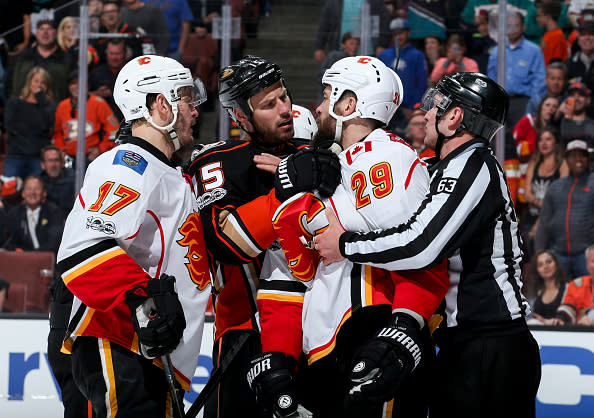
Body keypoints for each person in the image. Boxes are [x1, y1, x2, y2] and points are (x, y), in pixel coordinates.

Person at [315, 72, 541, 417]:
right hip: (465, 343)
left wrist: (346, 245)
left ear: (455, 117)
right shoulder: (446, 166)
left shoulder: (473, 164)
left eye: (437, 106)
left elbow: (421, 246)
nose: (426, 112)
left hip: (492, 343)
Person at [251, 55, 448, 417]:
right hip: (321, 349)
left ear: (349, 104)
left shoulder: (385, 158)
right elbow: (289, 272)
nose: (319, 106)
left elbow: (422, 257)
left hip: (371, 334)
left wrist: (399, 334)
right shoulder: (320, 165)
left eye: (328, 95)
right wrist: (278, 354)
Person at [54, 55, 211, 417]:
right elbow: (82, 250)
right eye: (186, 98)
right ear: (161, 104)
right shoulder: (128, 164)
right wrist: (144, 297)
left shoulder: (169, 172)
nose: (195, 110)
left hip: (154, 353)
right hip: (121, 341)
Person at [184, 55, 340, 418]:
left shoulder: (312, 155)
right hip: (245, 334)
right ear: (240, 117)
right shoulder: (218, 161)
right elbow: (225, 245)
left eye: (283, 97)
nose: (285, 109)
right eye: (269, 105)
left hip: (317, 328)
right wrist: (286, 190)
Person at [535, 139, 594, 279]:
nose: (578, 159)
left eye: (582, 155)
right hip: (558, 255)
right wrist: (539, 253)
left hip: (587, 256)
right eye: (573, 155)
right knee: (561, 298)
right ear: (566, 159)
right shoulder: (556, 187)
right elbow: (544, 223)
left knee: (588, 299)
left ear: (588, 159)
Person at [488, 11, 547, 131]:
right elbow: (491, 78)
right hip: (501, 103)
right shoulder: (496, 51)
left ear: (523, 27)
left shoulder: (534, 50)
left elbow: (539, 81)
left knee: (522, 141)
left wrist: (533, 105)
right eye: (509, 26)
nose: (512, 29)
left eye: (516, 26)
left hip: (523, 102)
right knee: (498, 142)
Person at [522, 127, 569, 257]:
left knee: (550, 261)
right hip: (531, 219)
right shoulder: (534, 163)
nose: (544, 143)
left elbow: (561, 198)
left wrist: (538, 205)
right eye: (541, 140)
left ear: (556, 143)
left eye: (548, 139)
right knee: (533, 263)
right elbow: (527, 195)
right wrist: (544, 204)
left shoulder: (563, 164)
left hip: (553, 221)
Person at [53, 71, 119, 163]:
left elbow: (114, 131)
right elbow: (57, 133)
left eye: (81, 83)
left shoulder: (99, 103)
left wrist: (100, 149)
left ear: (87, 86)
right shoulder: (62, 106)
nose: (77, 86)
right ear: (68, 86)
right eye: (73, 83)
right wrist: (61, 150)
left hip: (93, 157)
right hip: (68, 158)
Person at [3, 66, 56, 179]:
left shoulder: (48, 107)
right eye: (36, 81)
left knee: (36, 191)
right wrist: (35, 128)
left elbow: (47, 124)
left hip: (37, 157)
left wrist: (41, 99)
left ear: (47, 87)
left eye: (43, 83)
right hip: (16, 155)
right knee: (9, 191)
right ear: (29, 82)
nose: (39, 85)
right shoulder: (15, 103)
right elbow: (10, 126)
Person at [9, 19, 74, 102]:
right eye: (41, 29)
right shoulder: (24, 56)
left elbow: (74, 87)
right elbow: (10, 84)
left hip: (55, 110)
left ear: (56, 34)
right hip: (25, 109)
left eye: (49, 29)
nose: (45, 32)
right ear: (37, 34)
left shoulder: (67, 59)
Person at [313, 0, 392, 64]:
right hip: (341, 52)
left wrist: (382, 44)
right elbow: (324, 24)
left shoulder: (375, 1)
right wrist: (319, 47)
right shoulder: (334, 2)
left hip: (368, 53)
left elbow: (384, 21)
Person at [377, 18, 428, 115]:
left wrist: (414, 107)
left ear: (408, 33)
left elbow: (421, 84)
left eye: (401, 33)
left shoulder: (417, 55)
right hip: (387, 108)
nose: (398, 37)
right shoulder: (383, 55)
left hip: (409, 108)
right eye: (395, 34)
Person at [3, 176, 64, 253]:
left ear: (44, 193)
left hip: (48, 260)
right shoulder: (14, 213)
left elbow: (54, 244)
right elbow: (9, 242)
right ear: (23, 193)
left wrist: (28, 253)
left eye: (37, 189)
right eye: (29, 189)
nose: (32, 193)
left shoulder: (54, 212)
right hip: (22, 260)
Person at [548, 244, 594, 326]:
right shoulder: (577, 284)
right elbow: (568, 307)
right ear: (587, 264)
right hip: (581, 333)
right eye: (593, 261)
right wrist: (560, 319)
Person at [513, 94, 560, 163]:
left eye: (554, 106)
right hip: (522, 165)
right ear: (541, 107)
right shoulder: (527, 121)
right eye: (547, 105)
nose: (551, 109)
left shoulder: (556, 129)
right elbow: (514, 146)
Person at [526, 249, 568, 324]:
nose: (545, 266)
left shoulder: (569, 288)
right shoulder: (534, 293)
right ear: (537, 270)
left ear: (556, 264)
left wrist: (546, 322)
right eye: (540, 265)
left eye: (549, 262)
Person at [317, 31, 360, 101]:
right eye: (351, 43)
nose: (354, 47)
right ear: (343, 45)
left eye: (357, 44)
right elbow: (321, 75)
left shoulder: (357, 61)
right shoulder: (334, 56)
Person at [39, 145, 75, 219]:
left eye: (56, 160)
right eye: (50, 161)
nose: (53, 165)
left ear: (62, 163)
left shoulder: (73, 180)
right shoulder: (38, 182)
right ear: (43, 165)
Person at [557, 81, 594, 146]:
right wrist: (557, 114)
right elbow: (549, 127)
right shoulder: (559, 123)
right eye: (572, 95)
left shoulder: (592, 124)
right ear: (567, 99)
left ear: (588, 100)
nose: (576, 98)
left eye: (581, 95)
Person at [535, 1, 569, 66]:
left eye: (539, 16)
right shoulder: (548, 34)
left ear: (547, 16)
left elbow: (556, 63)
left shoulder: (557, 36)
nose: (537, 19)